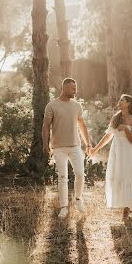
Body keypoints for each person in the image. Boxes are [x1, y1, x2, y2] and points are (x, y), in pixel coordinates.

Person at [42, 78, 92, 219]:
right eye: (72, 89)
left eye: (75, 88)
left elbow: (82, 125)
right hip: (58, 148)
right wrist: (45, 144)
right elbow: (45, 126)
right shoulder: (51, 106)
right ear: (63, 88)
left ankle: (78, 200)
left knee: (80, 174)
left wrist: (87, 143)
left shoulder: (77, 106)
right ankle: (64, 207)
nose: (75, 91)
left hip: (75, 146)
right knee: (62, 177)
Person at [90, 94, 132, 219]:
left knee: (128, 177)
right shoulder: (116, 118)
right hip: (117, 151)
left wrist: (125, 129)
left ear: (128, 103)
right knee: (117, 176)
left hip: (130, 151)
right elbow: (108, 136)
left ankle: (127, 208)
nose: (119, 102)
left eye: (122, 100)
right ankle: (119, 202)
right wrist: (95, 149)